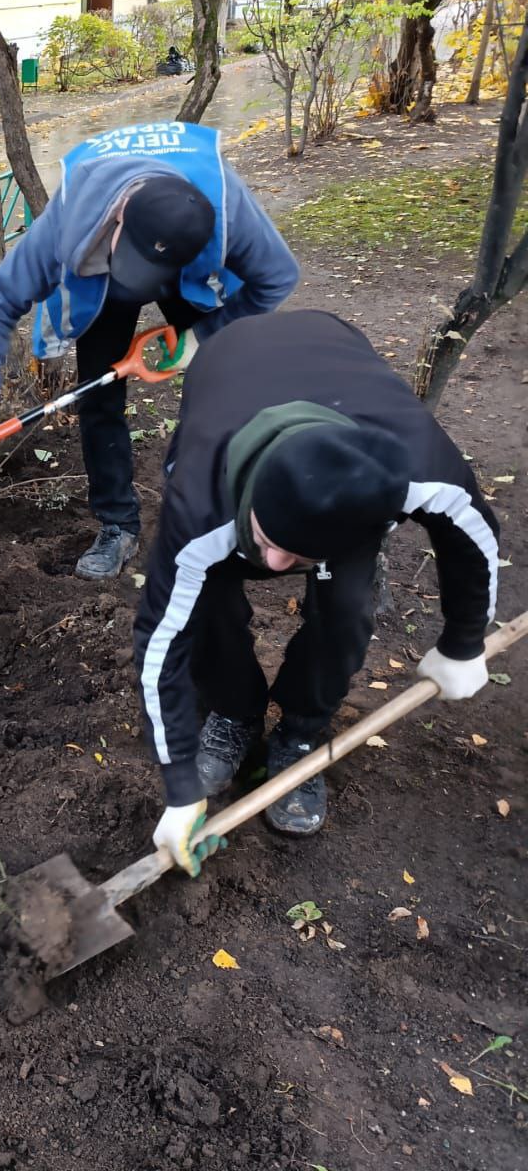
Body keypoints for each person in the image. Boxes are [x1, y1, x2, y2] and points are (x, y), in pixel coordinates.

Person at [133, 310, 499, 875]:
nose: (277, 568)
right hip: (231, 363)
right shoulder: (199, 498)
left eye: (297, 558)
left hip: (337, 369)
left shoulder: (416, 467)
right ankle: (233, 712)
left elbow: (474, 538)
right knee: (204, 604)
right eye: (269, 543)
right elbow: (159, 643)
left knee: (347, 608)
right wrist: (180, 786)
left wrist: (463, 642)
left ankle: (301, 733)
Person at [0, 120, 300, 580]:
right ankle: (117, 525)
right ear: (119, 217)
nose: (142, 289)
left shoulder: (227, 207)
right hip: (102, 273)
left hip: (187, 264)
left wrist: (204, 334)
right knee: (99, 396)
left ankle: (235, 510)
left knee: (225, 385)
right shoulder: (73, 214)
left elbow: (278, 277)